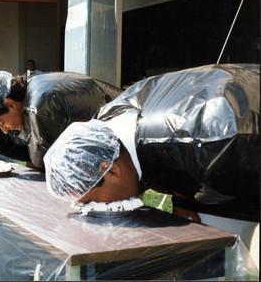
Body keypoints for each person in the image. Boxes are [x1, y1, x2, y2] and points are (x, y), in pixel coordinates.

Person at [44, 64, 259, 252]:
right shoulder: (106, 124)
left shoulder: (208, 141)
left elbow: (225, 144)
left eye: (90, 202)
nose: (92, 210)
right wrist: (183, 195)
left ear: (110, 170)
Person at [0, 71, 121, 169]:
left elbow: (45, 164)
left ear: (10, 104)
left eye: (1, 123)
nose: (4, 130)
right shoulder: (34, 90)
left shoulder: (39, 107)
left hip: (126, 135)